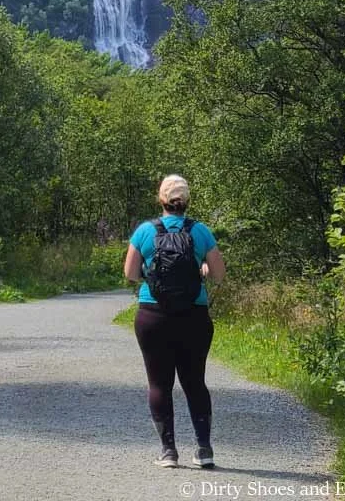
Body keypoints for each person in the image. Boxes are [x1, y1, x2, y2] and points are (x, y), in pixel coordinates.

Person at [124, 174, 226, 469]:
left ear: (161, 199)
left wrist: (152, 274)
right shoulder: (201, 231)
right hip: (193, 316)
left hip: (152, 315)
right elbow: (219, 275)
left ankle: (168, 452)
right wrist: (202, 270)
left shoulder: (145, 231)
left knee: (159, 383)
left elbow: (130, 273)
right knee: (194, 382)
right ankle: (204, 449)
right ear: (187, 200)